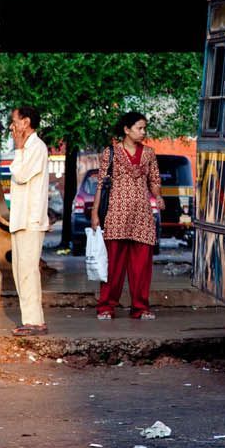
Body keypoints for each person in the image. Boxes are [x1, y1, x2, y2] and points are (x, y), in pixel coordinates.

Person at [91, 111, 164, 320]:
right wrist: (95, 213)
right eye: (139, 128)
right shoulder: (110, 153)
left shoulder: (149, 153)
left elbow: (154, 180)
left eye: (144, 128)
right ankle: (106, 307)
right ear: (126, 129)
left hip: (142, 216)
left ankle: (140, 308)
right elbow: (101, 184)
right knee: (113, 265)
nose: (143, 132)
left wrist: (158, 196)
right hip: (116, 216)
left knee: (141, 266)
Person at [8, 106, 49, 336]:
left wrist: (19, 148)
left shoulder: (36, 147)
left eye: (15, 121)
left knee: (28, 271)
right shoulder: (28, 147)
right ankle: (30, 319)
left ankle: (35, 321)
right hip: (21, 218)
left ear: (26, 122)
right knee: (20, 271)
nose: (13, 126)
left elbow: (21, 175)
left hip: (31, 219)